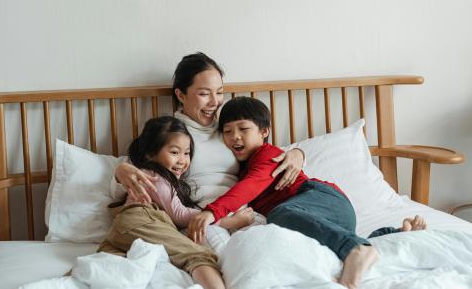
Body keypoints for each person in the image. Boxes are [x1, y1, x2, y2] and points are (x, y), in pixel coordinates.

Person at [187, 96, 427, 289]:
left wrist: (212, 212)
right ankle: (391, 235)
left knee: (280, 214)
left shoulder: (269, 155)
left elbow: (250, 186)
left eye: (243, 129)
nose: (234, 137)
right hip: (320, 217)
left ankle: (357, 248)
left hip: (320, 197)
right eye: (227, 132)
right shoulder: (240, 167)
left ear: (264, 132)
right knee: (306, 241)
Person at [113, 52, 305, 213]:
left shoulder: (229, 129)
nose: (215, 102)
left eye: (219, 92)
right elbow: (133, 176)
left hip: (242, 212)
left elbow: (263, 155)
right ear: (180, 95)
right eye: (204, 94)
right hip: (198, 216)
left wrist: (297, 154)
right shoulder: (169, 133)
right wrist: (120, 172)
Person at [99, 116, 254, 289]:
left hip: (125, 229)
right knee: (200, 255)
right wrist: (230, 221)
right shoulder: (154, 177)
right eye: (174, 152)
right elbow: (179, 215)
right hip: (140, 220)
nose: (182, 160)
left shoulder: (163, 179)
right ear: (151, 154)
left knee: (112, 266)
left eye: (186, 153)